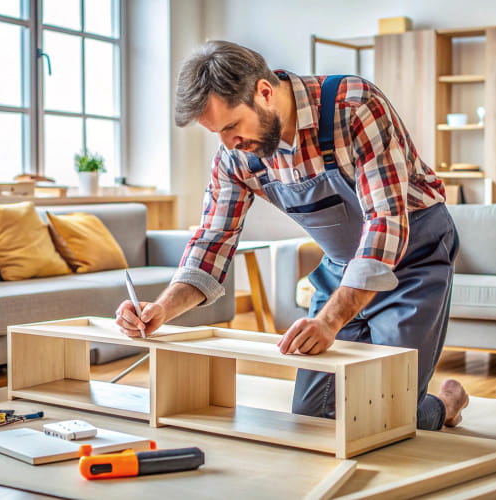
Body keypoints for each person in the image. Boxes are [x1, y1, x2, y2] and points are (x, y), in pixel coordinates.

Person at [114, 41, 468, 430]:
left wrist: (330, 321)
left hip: (411, 257)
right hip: (340, 264)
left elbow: (385, 221)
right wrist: (162, 310)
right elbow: (212, 242)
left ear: (264, 92)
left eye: (232, 126)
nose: (229, 143)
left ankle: (446, 402)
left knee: (384, 417)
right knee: (313, 417)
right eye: (217, 133)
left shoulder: (353, 106)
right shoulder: (234, 157)